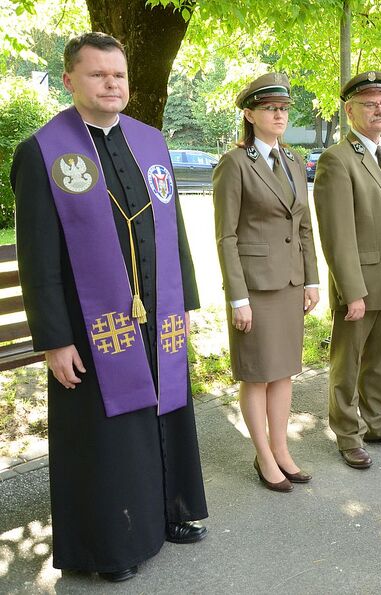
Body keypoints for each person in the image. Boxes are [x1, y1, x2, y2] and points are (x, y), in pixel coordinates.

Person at [11, 32, 207, 582]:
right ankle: (113, 545)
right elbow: (38, 258)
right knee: (108, 436)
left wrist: (184, 303)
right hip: (90, 327)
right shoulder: (43, 152)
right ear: (70, 80)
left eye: (118, 74)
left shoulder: (150, 141)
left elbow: (175, 232)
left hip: (156, 316)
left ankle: (171, 513)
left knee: (165, 414)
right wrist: (54, 338)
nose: (111, 84)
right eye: (98, 75)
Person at [213, 73, 320, 492]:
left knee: (283, 372)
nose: (279, 115)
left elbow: (305, 226)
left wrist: (312, 279)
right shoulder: (235, 163)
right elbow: (226, 236)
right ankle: (263, 456)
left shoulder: (293, 160)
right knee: (256, 373)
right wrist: (237, 297)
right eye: (270, 108)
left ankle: (282, 449)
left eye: (283, 109)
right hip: (254, 288)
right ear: (249, 113)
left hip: (291, 282)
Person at [314, 71, 381, 469]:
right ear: (349, 111)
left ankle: (376, 422)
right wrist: (352, 291)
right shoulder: (336, 160)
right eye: (369, 103)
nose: (379, 109)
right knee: (349, 362)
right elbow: (337, 233)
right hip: (360, 283)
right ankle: (347, 434)